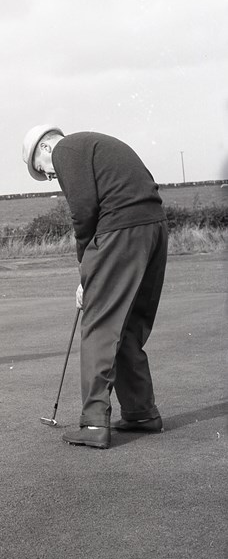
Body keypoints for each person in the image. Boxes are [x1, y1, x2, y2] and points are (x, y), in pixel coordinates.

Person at [22, 126, 168, 449]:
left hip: (122, 229)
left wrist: (86, 274)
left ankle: (93, 423)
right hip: (155, 227)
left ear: (44, 148)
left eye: (42, 171)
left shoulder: (64, 151)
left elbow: (84, 213)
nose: (49, 177)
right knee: (128, 325)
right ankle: (141, 413)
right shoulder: (91, 145)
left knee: (99, 323)